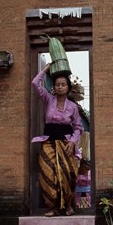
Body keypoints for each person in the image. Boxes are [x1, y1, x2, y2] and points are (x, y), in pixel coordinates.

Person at [32, 63, 83, 216]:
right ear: (54, 87)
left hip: (66, 143)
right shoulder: (48, 99)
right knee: (47, 172)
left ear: (68, 87)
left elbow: (78, 127)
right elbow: (35, 83)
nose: (60, 87)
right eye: (57, 85)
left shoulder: (73, 107)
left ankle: (68, 205)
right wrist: (45, 70)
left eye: (63, 84)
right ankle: (52, 207)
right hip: (48, 142)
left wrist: (73, 142)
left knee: (68, 173)